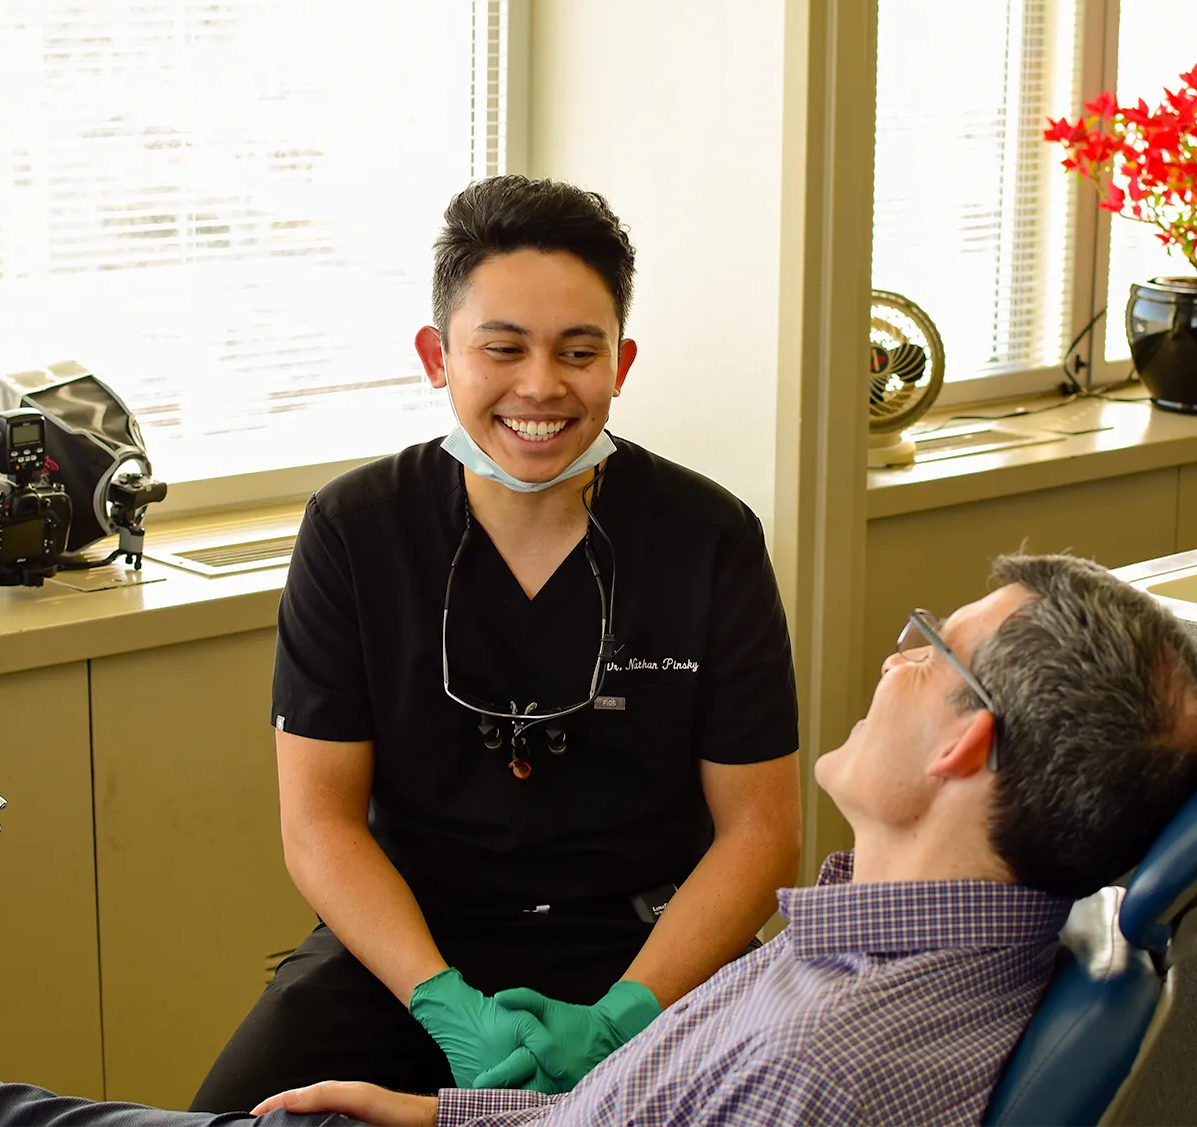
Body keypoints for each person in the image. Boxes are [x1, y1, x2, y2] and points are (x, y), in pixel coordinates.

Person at [189, 175, 804, 1110]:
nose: (541, 387)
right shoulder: (357, 531)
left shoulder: (706, 537)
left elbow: (762, 831)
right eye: (502, 348)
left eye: (578, 352)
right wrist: (443, 1006)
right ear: (439, 356)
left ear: (622, 363)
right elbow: (318, 824)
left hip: (649, 948)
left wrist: (626, 1014)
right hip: (408, 953)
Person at [230, 552, 1197, 1125]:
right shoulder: (872, 956)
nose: (897, 657)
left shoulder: (823, 1065)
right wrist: (440, 1116)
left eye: (933, 646)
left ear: (964, 740)